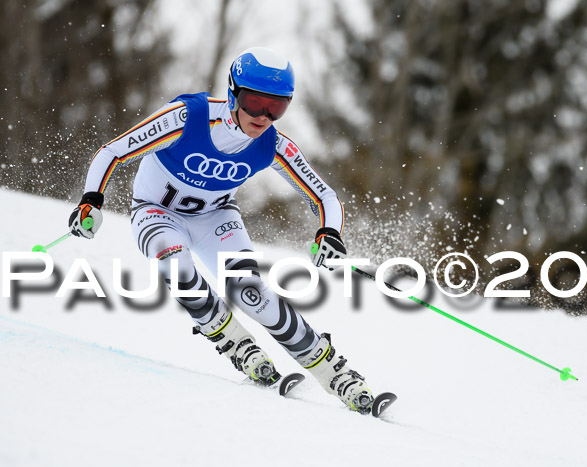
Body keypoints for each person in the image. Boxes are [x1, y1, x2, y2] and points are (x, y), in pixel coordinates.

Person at [68, 47, 375, 413]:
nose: (263, 116)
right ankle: (235, 343)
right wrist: (91, 200)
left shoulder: (272, 145)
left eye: (276, 107)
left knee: (248, 292)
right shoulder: (188, 117)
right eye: (255, 102)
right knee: (176, 264)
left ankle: (333, 372)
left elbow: (323, 194)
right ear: (233, 92)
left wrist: (329, 233)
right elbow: (113, 151)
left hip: (215, 217)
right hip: (156, 211)